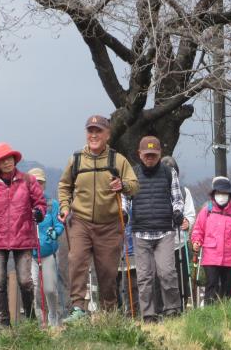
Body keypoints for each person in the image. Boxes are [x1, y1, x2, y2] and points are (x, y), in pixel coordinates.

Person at [58, 115, 139, 319]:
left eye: (98, 131)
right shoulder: (75, 160)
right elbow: (64, 186)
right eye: (90, 131)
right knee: (76, 260)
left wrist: (123, 185)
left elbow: (134, 185)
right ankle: (78, 308)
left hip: (110, 225)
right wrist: (65, 207)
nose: (93, 135)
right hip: (81, 221)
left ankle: (108, 313)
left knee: (107, 273)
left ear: (107, 134)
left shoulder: (117, 160)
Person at [0, 143, 46, 328]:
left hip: (24, 238)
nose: (7, 162)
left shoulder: (29, 181)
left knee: (24, 280)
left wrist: (39, 211)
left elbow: (40, 203)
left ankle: (30, 320)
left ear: (15, 159)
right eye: (2, 160)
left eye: (9, 158)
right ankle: (4, 323)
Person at [130, 137, 185, 323]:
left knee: (167, 272)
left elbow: (178, 198)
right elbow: (124, 198)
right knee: (144, 277)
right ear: (140, 154)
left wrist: (178, 212)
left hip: (164, 231)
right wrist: (122, 213)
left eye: (153, 155)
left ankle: (173, 310)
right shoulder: (133, 174)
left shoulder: (169, 173)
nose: (150, 158)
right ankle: (148, 315)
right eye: (147, 155)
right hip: (140, 232)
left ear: (159, 154)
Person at [191, 176, 231, 303]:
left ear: (229, 195)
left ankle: (228, 314)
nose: (221, 196)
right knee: (211, 285)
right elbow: (198, 230)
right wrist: (196, 241)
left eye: (224, 193)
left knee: (229, 289)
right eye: (219, 193)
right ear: (214, 194)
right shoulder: (207, 210)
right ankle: (210, 315)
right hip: (210, 256)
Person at [27, 167, 67, 327]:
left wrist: (55, 232)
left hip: (48, 251)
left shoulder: (52, 204)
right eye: (34, 182)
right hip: (29, 253)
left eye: (40, 182)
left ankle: (53, 315)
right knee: (31, 287)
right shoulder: (23, 204)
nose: (37, 185)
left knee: (50, 289)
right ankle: (36, 320)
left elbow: (59, 224)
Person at [159, 156, 195, 312]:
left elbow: (191, 214)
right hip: (159, 244)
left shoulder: (184, 191)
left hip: (179, 244)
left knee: (180, 279)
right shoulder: (156, 190)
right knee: (161, 278)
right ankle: (162, 309)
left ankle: (179, 308)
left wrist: (187, 222)